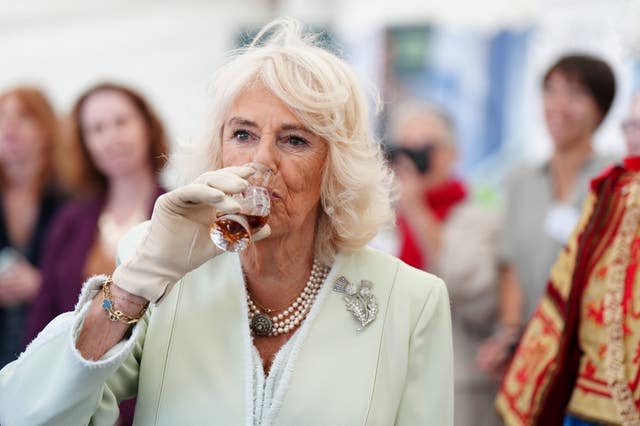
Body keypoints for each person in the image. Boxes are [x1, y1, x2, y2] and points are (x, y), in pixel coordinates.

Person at [0, 18, 453, 426]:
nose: (262, 160)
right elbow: (24, 414)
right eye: (243, 134)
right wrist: (132, 283)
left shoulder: (410, 301)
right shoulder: (166, 272)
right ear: (218, 150)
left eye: (294, 139)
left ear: (334, 166)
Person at [24, 82, 168, 426]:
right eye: (97, 128)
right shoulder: (70, 222)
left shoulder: (178, 213)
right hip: (76, 399)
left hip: (153, 401)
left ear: (146, 126)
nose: (111, 137)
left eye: (121, 122)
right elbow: (43, 315)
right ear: (85, 143)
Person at [496, 92, 640, 425]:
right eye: (629, 125)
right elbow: (566, 286)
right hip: (593, 389)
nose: (632, 136)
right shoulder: (609, 191)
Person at [479, 54, 618, 374]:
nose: (559, 105)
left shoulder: (615, 181)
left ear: (601, 107)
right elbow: (509, 265)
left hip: (593, 355)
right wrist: (512, 336)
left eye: (575, 94)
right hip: (532, 351)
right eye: (551, 91)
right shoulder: (520, 179)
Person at [384, 102, 501, 426]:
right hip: (391, 376)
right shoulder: (379, 218)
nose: (413, 158)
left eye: (425, 148)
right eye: (404, 148)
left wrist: (418, 209)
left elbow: (470, 289)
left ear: (453, 154)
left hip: (455, 384)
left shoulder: (478, 218)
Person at [0, 86, 64, 368]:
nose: (9, 126)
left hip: (53, 352)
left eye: (24, 116)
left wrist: (42, 285)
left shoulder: (72, 198)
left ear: (47, 130)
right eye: (2, 116)